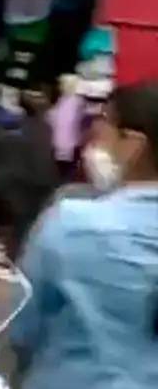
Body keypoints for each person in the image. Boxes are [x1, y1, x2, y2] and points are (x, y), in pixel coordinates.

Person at [11, 80, 158, 389]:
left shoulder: (72, 223)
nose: (94, 144)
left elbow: (21, 327)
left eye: (103, 131)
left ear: (134, 145)